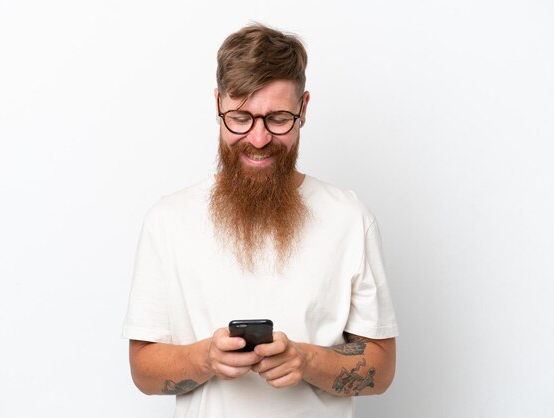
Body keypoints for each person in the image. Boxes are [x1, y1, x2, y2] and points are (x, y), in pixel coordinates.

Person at [122, 23, 398, 418]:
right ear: (217, 104)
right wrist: (205, 359)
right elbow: (142, 370)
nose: (258, 138)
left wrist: (305, 361)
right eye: (240, 117)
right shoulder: (168, 221)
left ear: (303, 109)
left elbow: (382, 369)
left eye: (278, 118)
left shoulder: (350, 218)